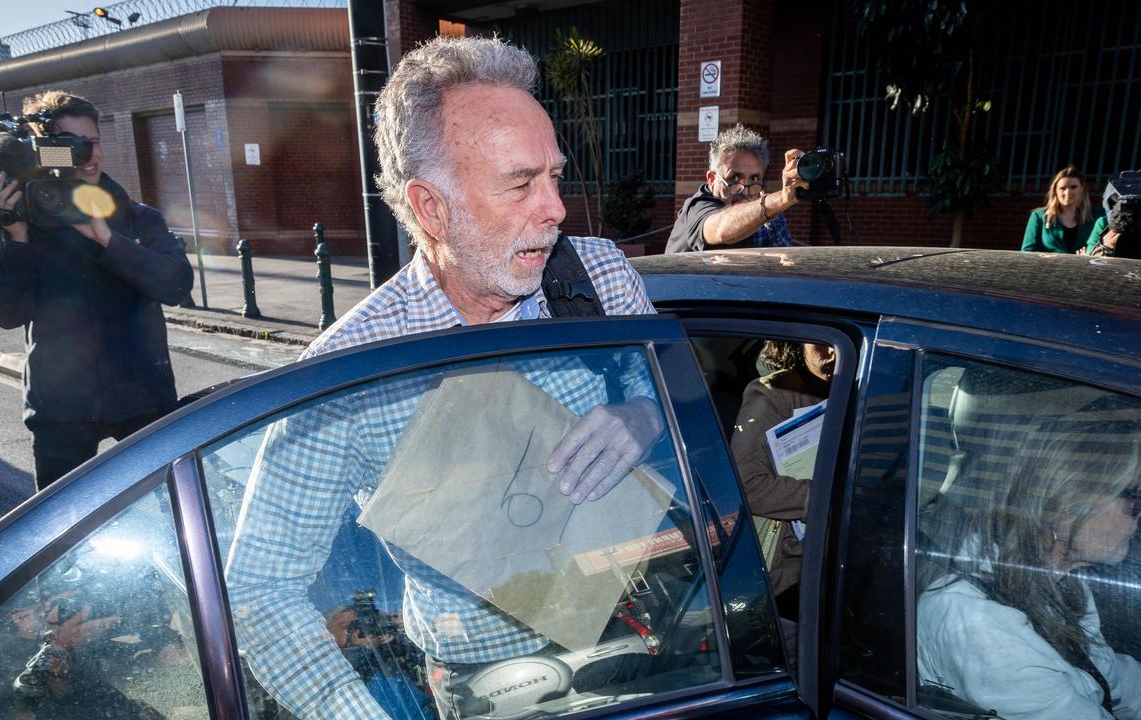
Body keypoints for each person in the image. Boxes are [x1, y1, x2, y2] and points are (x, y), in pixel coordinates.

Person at [225, 36, 664, 720]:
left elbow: (680, 405)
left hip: (654, 629)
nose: (555, 209)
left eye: (554, 176)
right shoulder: (352, 372)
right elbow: (260, 588)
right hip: (486, 684)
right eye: (521, 184)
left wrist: (645, 415)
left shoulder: (600, 277)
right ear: (430, 208)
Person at [917, 423, 1141, 720]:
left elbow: (1103, 674)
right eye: (1135, 495)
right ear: (1065, 504)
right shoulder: (984, 628)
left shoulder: (1052, 577)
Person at [0, 91, 194, 491]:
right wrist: (17, 239)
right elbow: (3, 313)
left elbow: (176, 285)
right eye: (69, 147)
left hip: (143, 399)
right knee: (63, 534)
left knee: (167, 514)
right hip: (61, 409)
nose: (86, 155)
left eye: (91, 143)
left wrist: (110, 241)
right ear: (43, 153)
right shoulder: (20, 223)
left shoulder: (138, 218)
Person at [729, 341, 834, 620]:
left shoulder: (865, 383)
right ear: (799, 344)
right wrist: (828, 499)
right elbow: (747, 483)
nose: (833, 353)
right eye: (823, 345)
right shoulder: (774, 395)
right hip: (793, 570)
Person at [665, 125, 809, 253]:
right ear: (712, 179)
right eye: (734, 178)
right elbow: (721, 229)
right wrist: (782, 199)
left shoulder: (764, 216)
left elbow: (786, 264)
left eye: (754, 179)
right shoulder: (697, 208)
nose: (745, 191)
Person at [1020, 165, 1103, 253]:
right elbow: (1027, 251)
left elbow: (1104, 251)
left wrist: (1087, 256)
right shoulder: (1039, 217)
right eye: (1062, 188)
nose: (1067, 192)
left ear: (1082, 188)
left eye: (1073, 187)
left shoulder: (1098, 217)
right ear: (1055, 190)